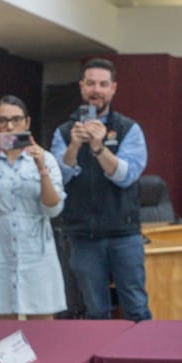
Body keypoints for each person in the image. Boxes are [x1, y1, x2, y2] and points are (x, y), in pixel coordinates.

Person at [50, 58, 151, 320]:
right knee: (95, 311)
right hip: (83, 236)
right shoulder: (63, 132)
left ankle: (141, 360)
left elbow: (126, 176)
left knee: (136, 307)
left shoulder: (129, 129)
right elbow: (56, 179)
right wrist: (74, 147)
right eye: (91, 83)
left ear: (113, 88)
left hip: (124, 234)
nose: (97, 90)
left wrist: (98, 147)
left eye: (103, 84)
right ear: (81, 87)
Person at [0, 96, 66, 318]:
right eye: (2, 120)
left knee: (42, 333)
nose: (9, 126)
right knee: (3, 333)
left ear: (27, 123)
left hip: (36, 254)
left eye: (16, 119)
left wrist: (42, 170)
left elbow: (53, 209)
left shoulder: (45, 158)